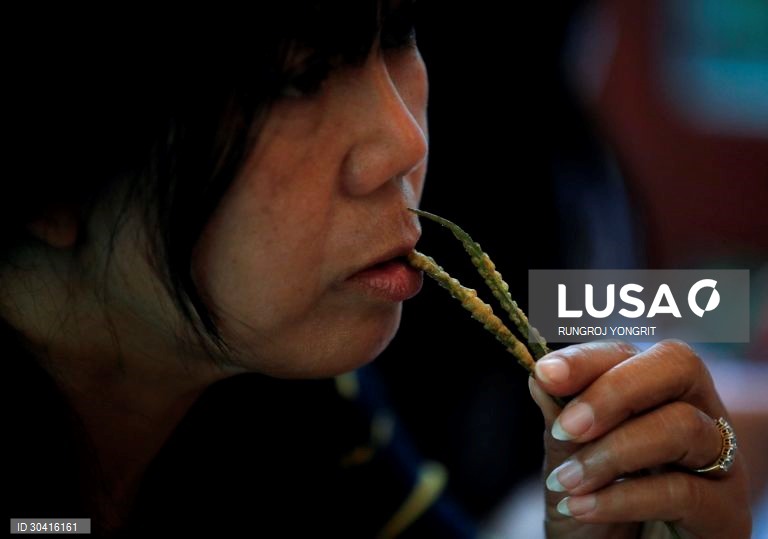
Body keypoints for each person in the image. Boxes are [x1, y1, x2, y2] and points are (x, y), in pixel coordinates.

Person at [4, 1, 751, 537]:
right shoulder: (508, 131)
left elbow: (579, 305)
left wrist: (721, 319)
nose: (405, 144)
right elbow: (559, 305)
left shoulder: (295, 395)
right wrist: (720, 320)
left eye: (399, 32)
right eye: (293, 76)